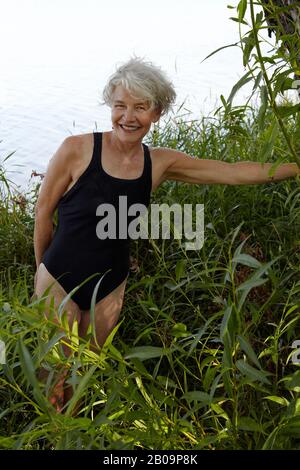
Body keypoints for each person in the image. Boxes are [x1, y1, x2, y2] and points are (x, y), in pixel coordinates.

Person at [34, 57, 300, 412]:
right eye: (120, 106)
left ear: (156, 113)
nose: (128, 117)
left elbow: (233, 172)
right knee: (54, 375)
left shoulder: (159, 163)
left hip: (110, 285)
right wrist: (40, 270)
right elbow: (42, 211)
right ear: (110, 106)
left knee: (86, 379)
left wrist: (295, 168)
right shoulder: (77, 150)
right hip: (59, 278)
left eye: (140, 108)